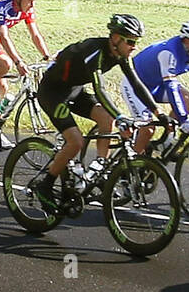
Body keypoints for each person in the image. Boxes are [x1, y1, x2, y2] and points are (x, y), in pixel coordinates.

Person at [31, 14, 159, 202]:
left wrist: (158, 112)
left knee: (107, 118)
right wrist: (121, 116)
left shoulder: (120, 55)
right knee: (76, 142)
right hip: (53, 93)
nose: (134, 47)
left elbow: (136, 84)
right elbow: (99, 89)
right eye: (131, 42)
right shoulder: (95, 52)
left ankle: (99, 167)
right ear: (115, 39)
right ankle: (45, 184)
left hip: (74, 90)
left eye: (136, 42)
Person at [122, 19, 189, 153]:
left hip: (155, 86)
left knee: (186, 98)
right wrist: (184, 119)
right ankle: (133, 165)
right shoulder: (168, 53)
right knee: (148, 129)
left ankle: (165, 145)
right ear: (187, 41)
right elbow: (171, 87)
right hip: (134, 86)